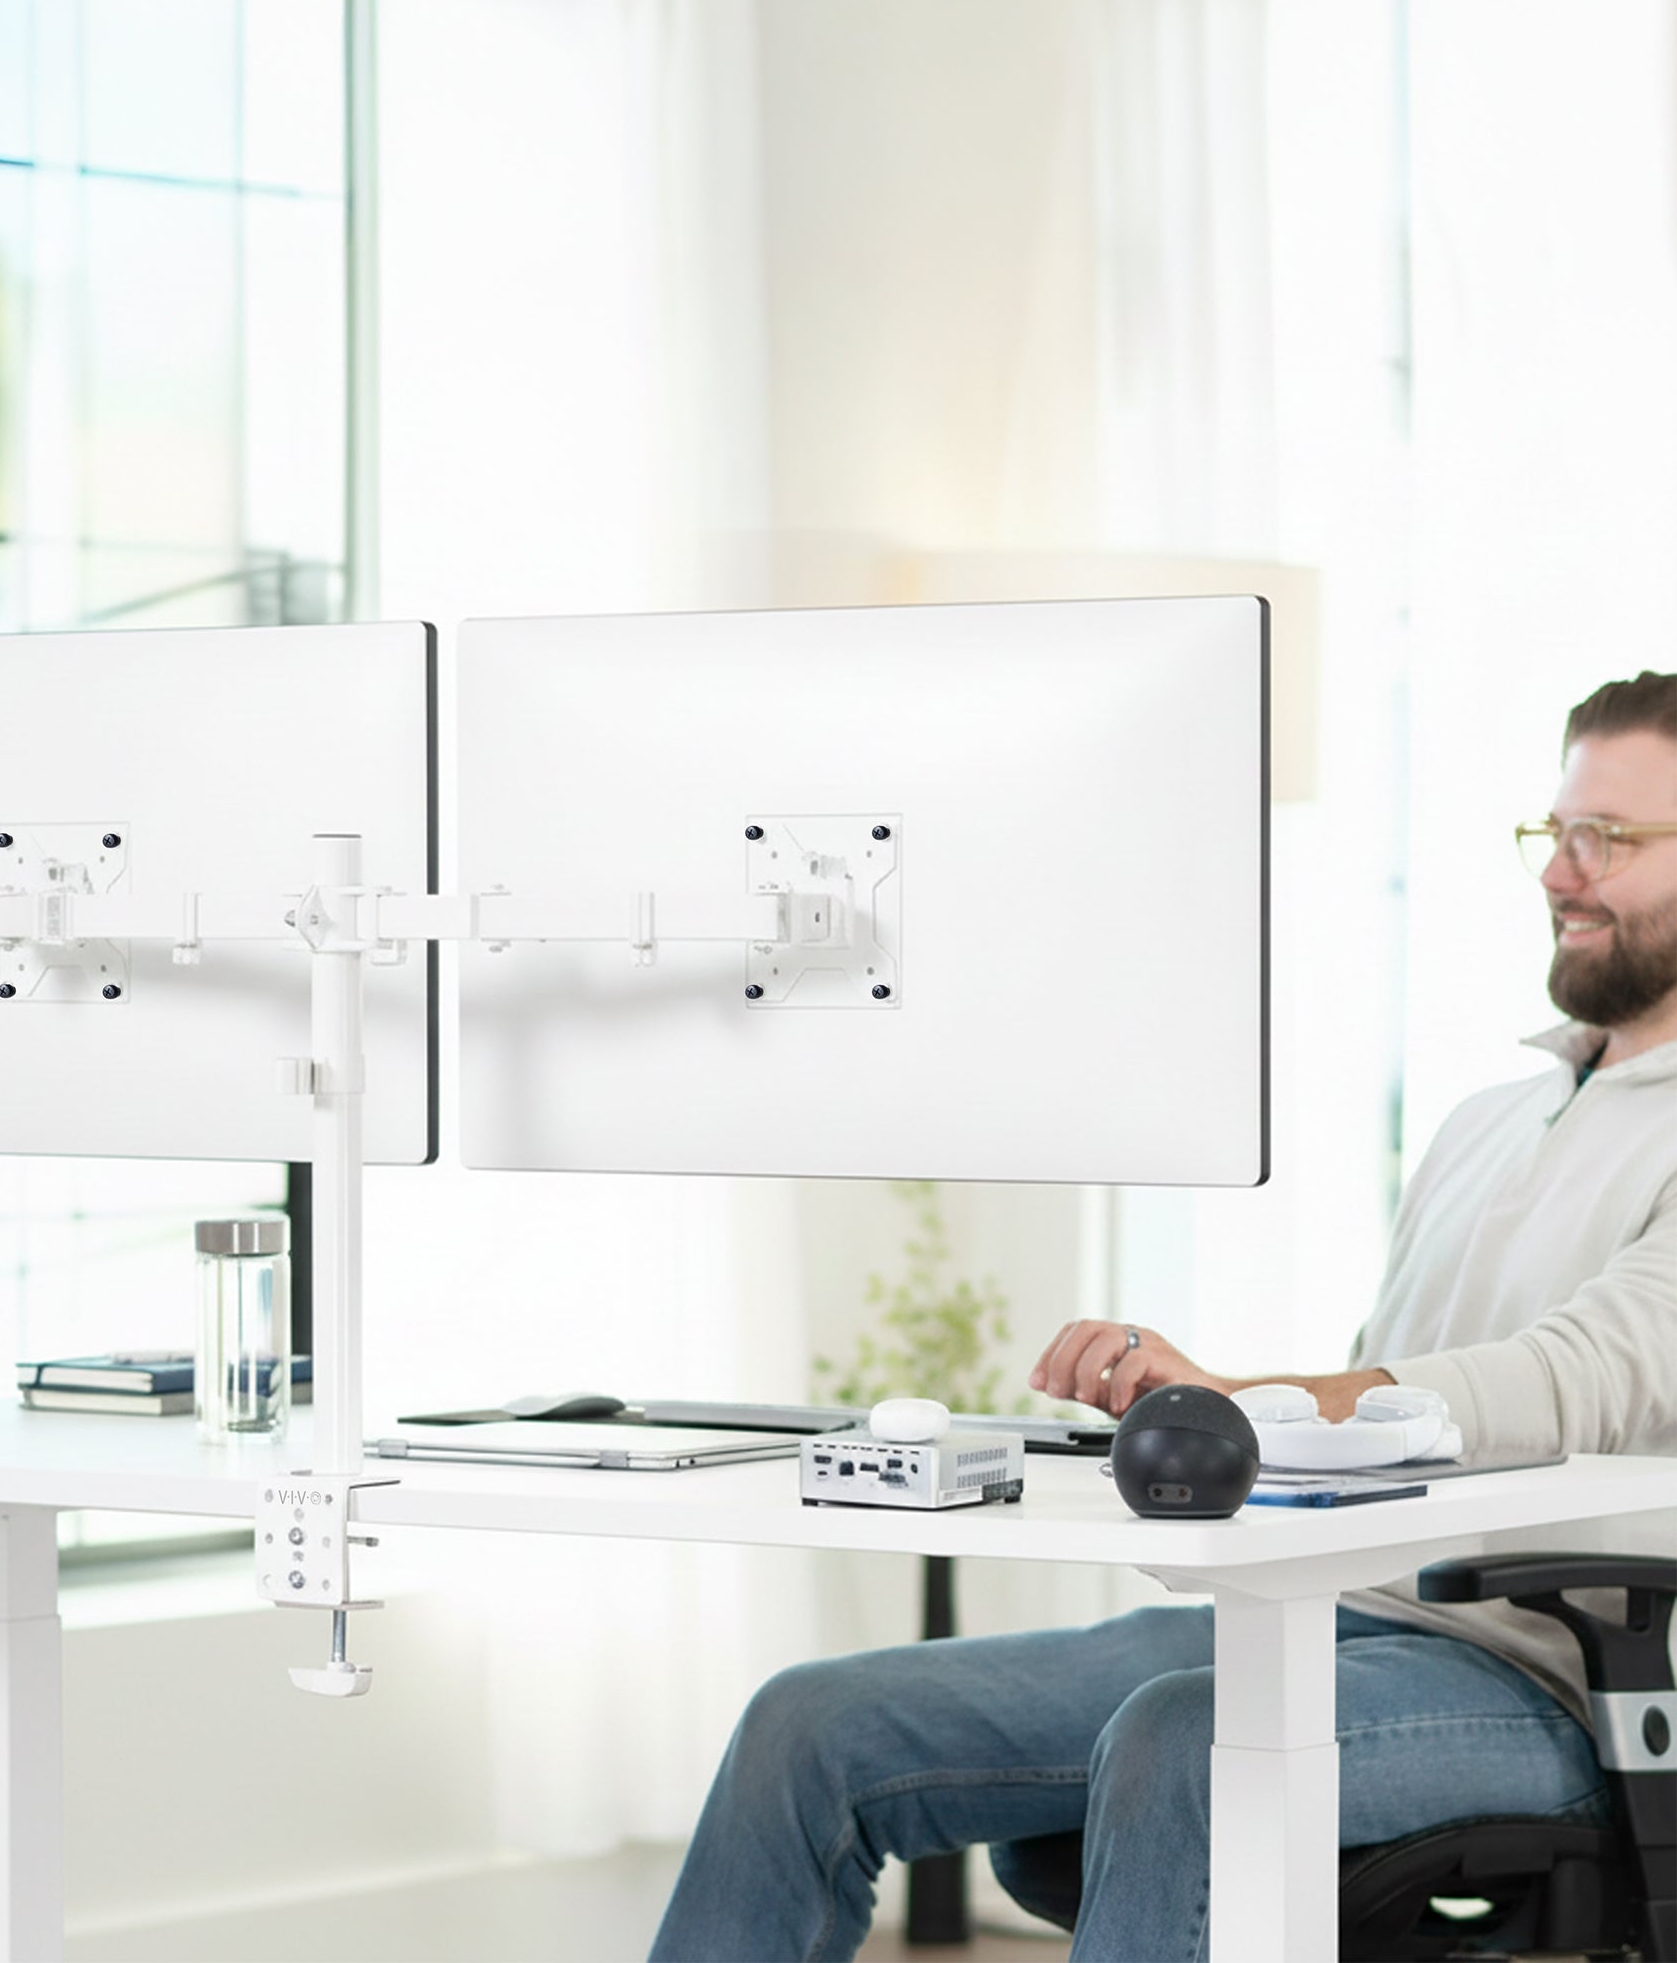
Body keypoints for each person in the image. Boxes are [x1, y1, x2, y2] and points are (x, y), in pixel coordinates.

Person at [650, 671, 1677, 1963]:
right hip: (1333, 1619)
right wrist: (1203, 1419)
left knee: (1184, 1737)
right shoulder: (1489, 1121)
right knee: (813, 1723)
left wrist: (1245, 1401)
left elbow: (1569, 1381)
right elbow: (1388, 1410)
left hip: (1560, 1686)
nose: (1563, 873)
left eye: (1610, 838)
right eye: (1556, 832)